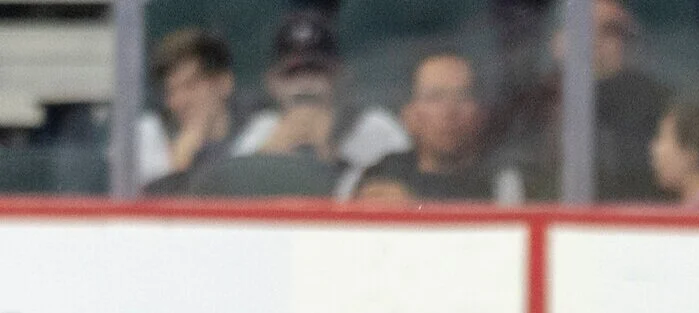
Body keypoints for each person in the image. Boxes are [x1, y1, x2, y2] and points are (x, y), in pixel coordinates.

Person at [486, 0, 673, 201]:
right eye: (581, 30)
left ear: (629, 46)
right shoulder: (528, 102)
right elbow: (502, 163)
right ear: (555, 41)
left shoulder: (658, 104)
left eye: (609, 31)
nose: (593, 41)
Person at [218, 9, 407, 199]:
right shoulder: (263, 127)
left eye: (316, 71)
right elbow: (230, 195)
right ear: (272, 82)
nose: (305, 84)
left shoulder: (375, 127)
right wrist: (271, 153)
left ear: (339, 77)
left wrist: (331, 155)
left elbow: (409, 192)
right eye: (292, 74)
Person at [354, 53, 499, 203]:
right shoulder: (383, 175)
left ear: (482, 112)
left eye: (462, 96)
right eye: (434, 97)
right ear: (408, 114)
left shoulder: (506, 180)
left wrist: (415, 209)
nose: (449, 111)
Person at [138, 28, 236, 193]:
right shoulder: (149, 135)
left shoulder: (261, 129)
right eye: (171, 91)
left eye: (190, 86)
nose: (178, 102)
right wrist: (179, 161)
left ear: (224, 83)